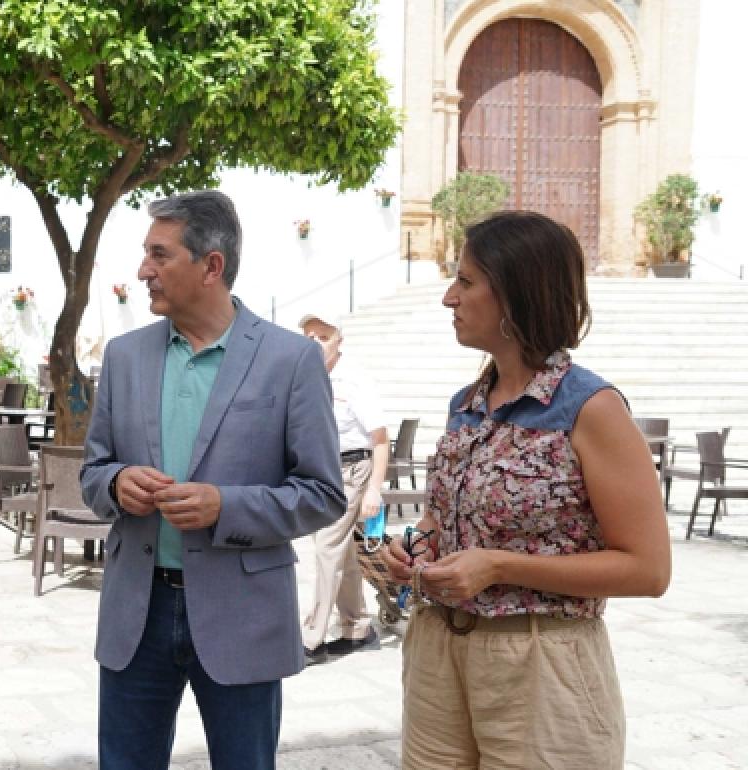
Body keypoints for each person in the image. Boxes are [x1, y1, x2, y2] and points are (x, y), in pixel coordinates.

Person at [381, 210, 671, 768]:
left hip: (541, 662)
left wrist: (499, 566)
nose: (448, 297)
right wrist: (415, 548)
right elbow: (441, 519)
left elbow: (648, 570)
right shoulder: (466, 404)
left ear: (515, 294)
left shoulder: (590, 408)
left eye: (466, 281)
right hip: (437, 653)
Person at [80, 190, 346, 769]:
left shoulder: (290, 360)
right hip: (137, 613)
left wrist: (225, 506)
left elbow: (324, 494)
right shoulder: (124, 357)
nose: (143, 270)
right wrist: (117, 482)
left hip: (243, 616)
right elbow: (92, 471)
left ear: (211, 266)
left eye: (159, 254)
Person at [296, 312, 389, 664]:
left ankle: (311, 638)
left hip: (351, 469)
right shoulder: (306, 375)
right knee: (342, 552)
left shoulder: (355, 379)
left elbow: (381, 439)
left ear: (339, 339)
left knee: (326, 547)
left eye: (323, 336)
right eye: (309, 336)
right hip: (321, 470)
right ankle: (357, 627)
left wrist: (374, 490)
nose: (315, 343)